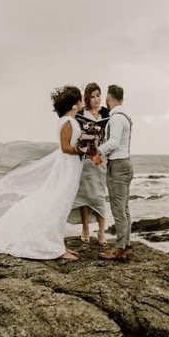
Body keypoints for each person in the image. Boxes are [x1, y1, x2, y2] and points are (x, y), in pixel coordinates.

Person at [0, 85, 86, 261]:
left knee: (61, 206)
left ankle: (57, 244)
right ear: (74, 104)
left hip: (71, 169)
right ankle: (53, 248)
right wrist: (83, 149)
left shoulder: (70, 120)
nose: (82, 102)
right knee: (57, 204)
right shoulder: (68, 122)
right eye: (80, 100)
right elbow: (65, 148)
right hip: (66, 169)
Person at [67, 83, 110, 245]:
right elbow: (76, 134)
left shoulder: (106, 112)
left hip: (100, 157)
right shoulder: (81, 113)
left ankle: (101, 232)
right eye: (92, 96)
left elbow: (110, 134)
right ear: (87, 97)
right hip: (85, 158)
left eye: (98, 95)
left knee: (99, 194)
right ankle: (85, 228)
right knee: (84, 195)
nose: (96, 99)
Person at [97, 84, 134, 261]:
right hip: (125, 163)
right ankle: (126, 245)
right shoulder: (125, 116)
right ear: (122, 99)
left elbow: (113, 143)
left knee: (119, 210)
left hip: (118, 166)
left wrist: (97, 151)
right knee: (124, 209)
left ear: (109, 99)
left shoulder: (116, 118)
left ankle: (119, 248)